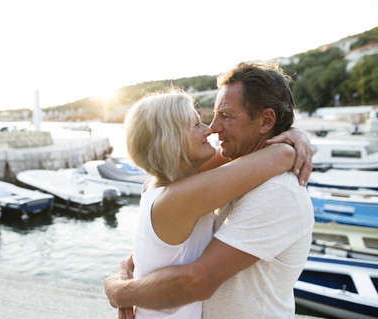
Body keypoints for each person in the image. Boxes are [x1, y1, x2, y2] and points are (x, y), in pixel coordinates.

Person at [104, 61, 315, 319]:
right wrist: (288, 145)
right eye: (203, 120)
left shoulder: (278, 192)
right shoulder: (195, 183)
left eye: (225, 116)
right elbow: (276, 154)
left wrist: (122, 290)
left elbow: (197, 280)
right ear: (172, 144)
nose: (212, 127)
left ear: (265, 120)